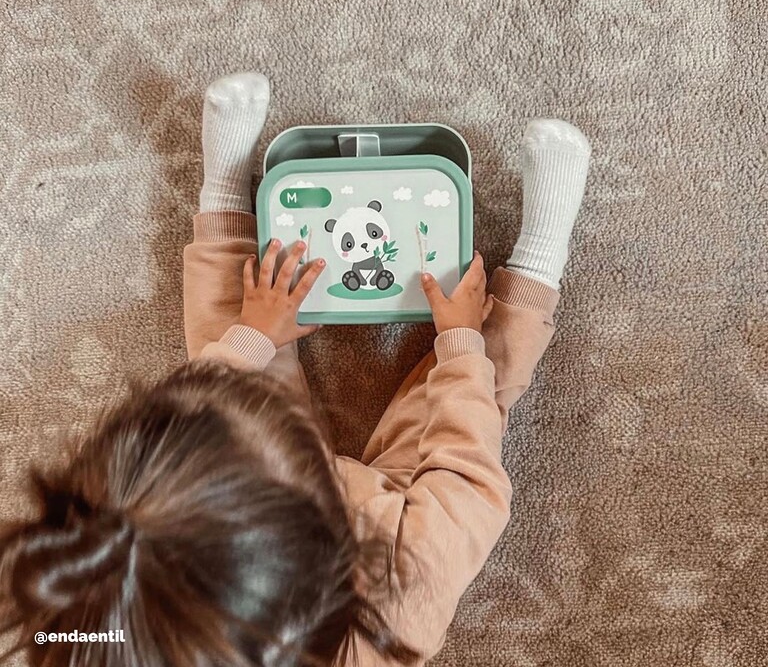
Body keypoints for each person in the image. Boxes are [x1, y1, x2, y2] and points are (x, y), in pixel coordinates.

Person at [0, 72, 591, 667]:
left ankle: (225, 192)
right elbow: (469, 475)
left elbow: (194, 410)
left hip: (258, 537)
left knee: (226, 359)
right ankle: (540, 258)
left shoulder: (95, 630)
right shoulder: (408, 588)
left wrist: (253, 336)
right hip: (390, 523)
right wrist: (459, 343)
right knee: (479, 392)